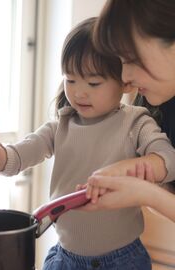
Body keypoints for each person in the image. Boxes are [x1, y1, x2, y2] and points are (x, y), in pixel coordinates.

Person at [0, 16, 175, 270]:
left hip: (124, 260)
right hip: (65, 259)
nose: (79, 92)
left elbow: (168, 158)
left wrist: (143, 166)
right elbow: (11, 161)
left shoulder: (136, 122)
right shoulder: (60, 126)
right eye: (71, 80)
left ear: (125, 82)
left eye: (93, 83)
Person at [83, 0, 175, 223]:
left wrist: (146, 193)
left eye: (132, 59)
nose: (125, 77)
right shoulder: (153, 103)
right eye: (122, 61)